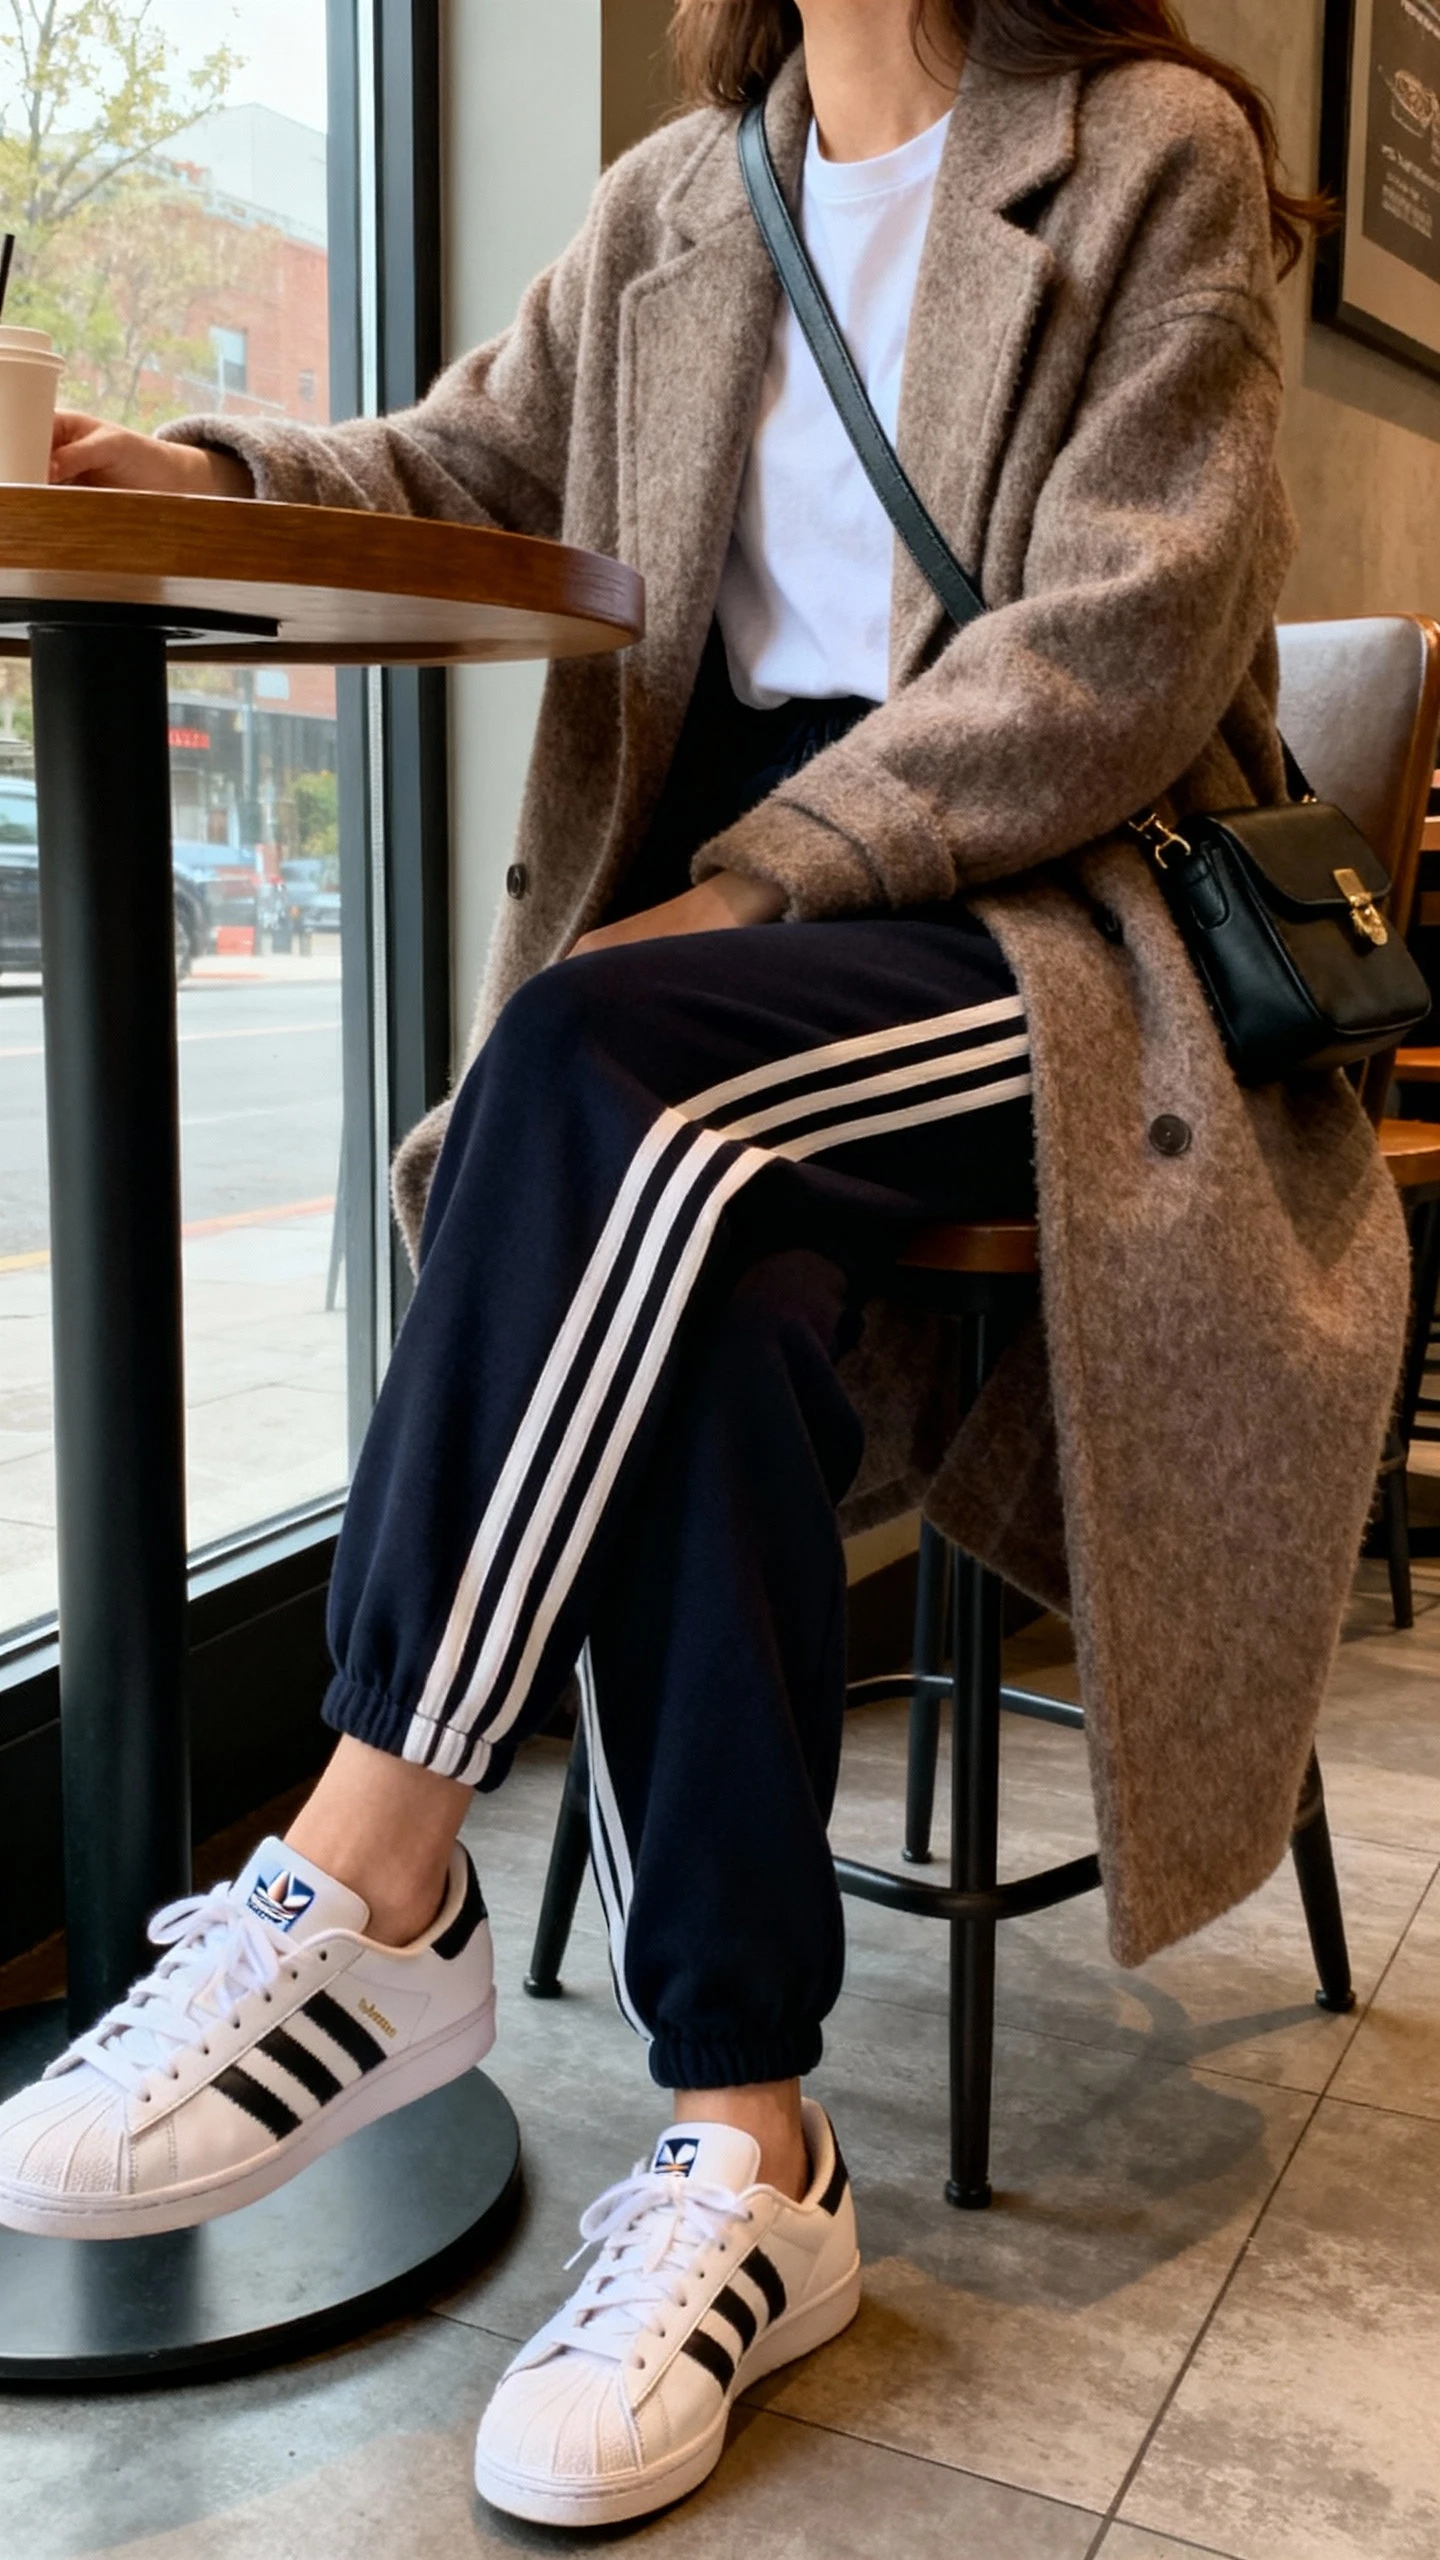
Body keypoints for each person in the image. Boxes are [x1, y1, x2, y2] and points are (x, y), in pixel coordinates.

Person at [0, 0, 1409, 2532]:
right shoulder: (681, 197)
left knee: (591, 1064)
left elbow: (1118, 647)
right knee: (703, 1299)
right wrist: (191, 460)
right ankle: (755, 2161)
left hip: (1057, 940)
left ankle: (365, 1865)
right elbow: (454, 451)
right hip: (742, 992)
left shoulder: (1154, 155)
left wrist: (759, 878)